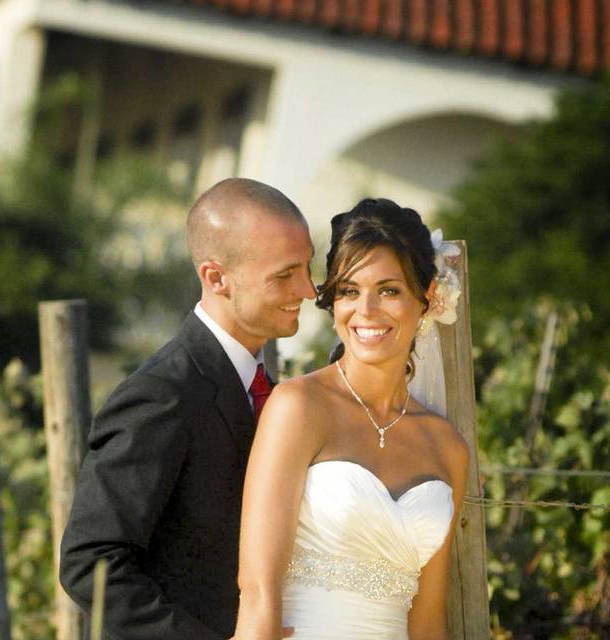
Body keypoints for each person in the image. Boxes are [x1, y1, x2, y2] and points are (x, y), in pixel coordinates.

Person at [59, 177, 316, 640]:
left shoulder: (274, 392)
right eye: (285, 275)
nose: (309, 290)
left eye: (307, 267)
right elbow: (90, 561)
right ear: (216, 278)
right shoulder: (162, 393)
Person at [233, 198, 470, 640]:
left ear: (428, 297)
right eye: (348, 290)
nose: (366, 310)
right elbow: (257, 592)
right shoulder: (298, 407)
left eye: (389, 290)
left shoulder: (448, 448)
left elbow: (428, 622)